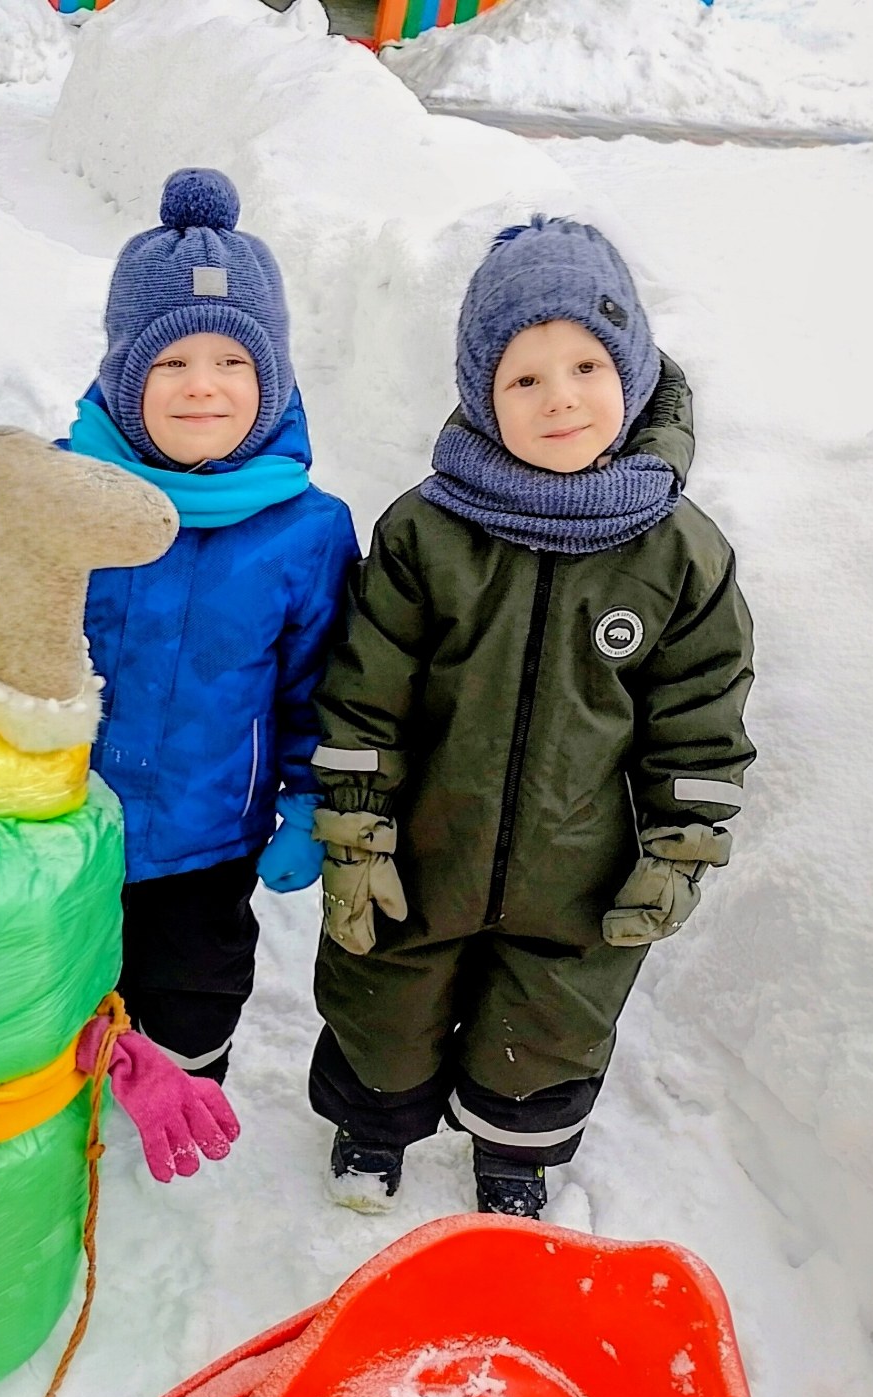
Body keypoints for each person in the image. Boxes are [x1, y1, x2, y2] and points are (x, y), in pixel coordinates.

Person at [309, 216, 755, 1218]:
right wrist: (353, 825)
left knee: (552, 1019)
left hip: (581, 866)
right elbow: (365, 688)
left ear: (633, 373)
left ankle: (514, 1149)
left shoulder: (681, 554)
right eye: (524, 378)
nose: (561, 399)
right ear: (481, 394)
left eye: (587, 366)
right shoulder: (427, 531)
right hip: (426, 847)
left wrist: (681, 844)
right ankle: (372, 1125)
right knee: (386, 993)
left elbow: (701, 709)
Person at [63, 168, 358, 1087]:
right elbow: (1, 639)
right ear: (123, 372)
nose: (203, 388)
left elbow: (320, 682)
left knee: (192, 997)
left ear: (270, 378)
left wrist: (308, 800)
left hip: (210, 835)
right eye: (169, 362)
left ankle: (181, 1094)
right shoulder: (69, 491)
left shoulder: (307, 530)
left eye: (233, 363)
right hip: (65, 818)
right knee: (62, 988)